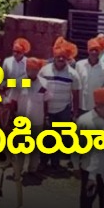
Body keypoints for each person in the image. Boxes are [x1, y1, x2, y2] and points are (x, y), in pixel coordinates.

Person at [38, 36, 81, 170]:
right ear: (54, 56)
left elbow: (75, 94)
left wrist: (75, 112)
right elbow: (39, 90)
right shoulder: (44, 71)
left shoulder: (73, 74)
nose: (61, 59)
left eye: (63, 57)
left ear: (67, 57)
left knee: (58, 137)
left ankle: (55, 163)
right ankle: (43, 162)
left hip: (63, 110)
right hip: (47, 110)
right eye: (58, 56)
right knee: (46, 137)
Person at [9, 57, 50, 178]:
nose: (33, 71)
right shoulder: (19, 82)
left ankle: (33, 170)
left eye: (35, 69)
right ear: (26, 69)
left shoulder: (44, 83)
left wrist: (46, 117)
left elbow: (46, 101)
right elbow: (12, 101)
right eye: (30, 69)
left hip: (38, 120)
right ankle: (17, 171)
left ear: (39, 70)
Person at [76, 37, 104, 116]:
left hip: (96, 107)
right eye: (92, 50)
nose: (94, 52)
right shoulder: (79, 65)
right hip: (81, 105)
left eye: (96, 50)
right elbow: (75, 86)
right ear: (88, 51)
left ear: (100, 52)